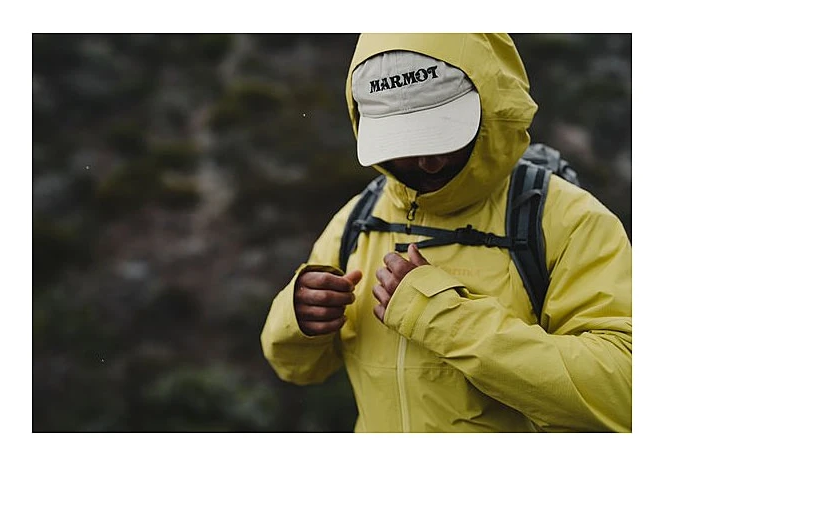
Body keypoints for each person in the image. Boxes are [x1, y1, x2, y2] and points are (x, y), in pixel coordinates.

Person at [260, 33, 632, 432]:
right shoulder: (358, 219)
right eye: (405, 142)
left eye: (444, 135)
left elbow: (624, 395)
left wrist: (444, 319)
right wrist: (297, 316)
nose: (429, 162)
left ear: (492, 111)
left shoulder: (569, 220)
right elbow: (296, 368)